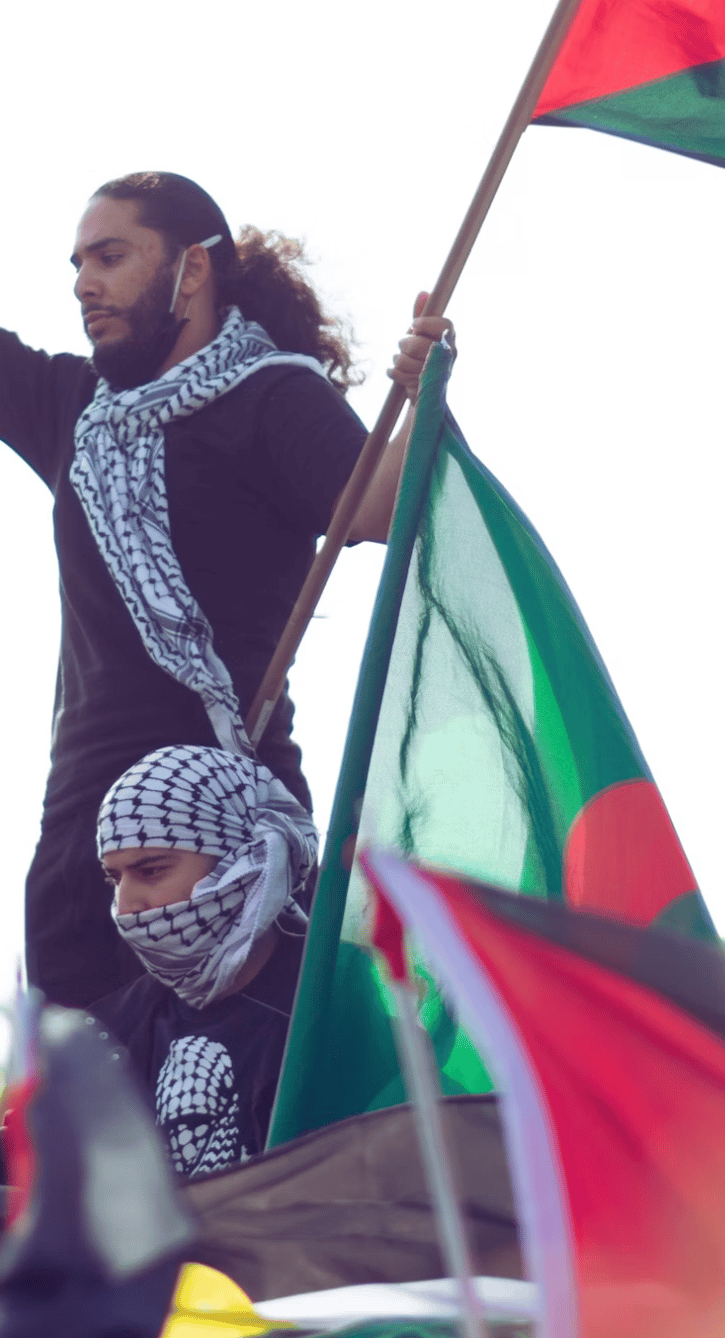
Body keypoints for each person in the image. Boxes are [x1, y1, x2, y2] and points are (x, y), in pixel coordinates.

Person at [0, 170, 451, 1007]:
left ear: (193, 268)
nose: (83, 284)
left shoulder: (273, 397)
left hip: (225, 838)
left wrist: (425, 404)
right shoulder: (70, 406)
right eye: (75, 265)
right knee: (83, 1130)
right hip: (84, 844)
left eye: (110, 256)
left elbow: (380, 507)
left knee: (230, 1116)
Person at [89, 742, 317, 1179]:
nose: (127, 904)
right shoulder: (106, 1033)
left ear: (242, 860)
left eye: (151, 870)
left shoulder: (333, 1004)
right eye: (114, 878)